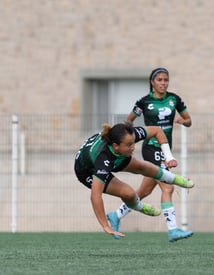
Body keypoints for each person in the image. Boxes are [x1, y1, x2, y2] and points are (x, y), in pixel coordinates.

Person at [107, 67, 193, 242]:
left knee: (144, 190)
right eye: (159, 80)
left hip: (166, 149)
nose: (163, 83)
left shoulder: (174, 99)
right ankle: (173, 230)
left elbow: (189, 120)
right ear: (152, 82)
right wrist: (132, 138)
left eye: (166, 80)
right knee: (167, 186)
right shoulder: (144, 102)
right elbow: (129, 121)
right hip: (151, 148)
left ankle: (116, 215)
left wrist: (183, 121)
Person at [74, 122, 194, 238]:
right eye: (129, 145)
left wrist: (169, 157)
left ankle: (175, 179)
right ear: (116, 146)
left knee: (143, 167)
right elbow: (95, 195)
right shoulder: (103, 159)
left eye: (133, 143)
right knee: (128, 193)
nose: (133, 148)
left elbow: (157, 130)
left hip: (116, 156)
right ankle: (140, 207)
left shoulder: (128, 135)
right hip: (86, 171)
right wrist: (105, 225)